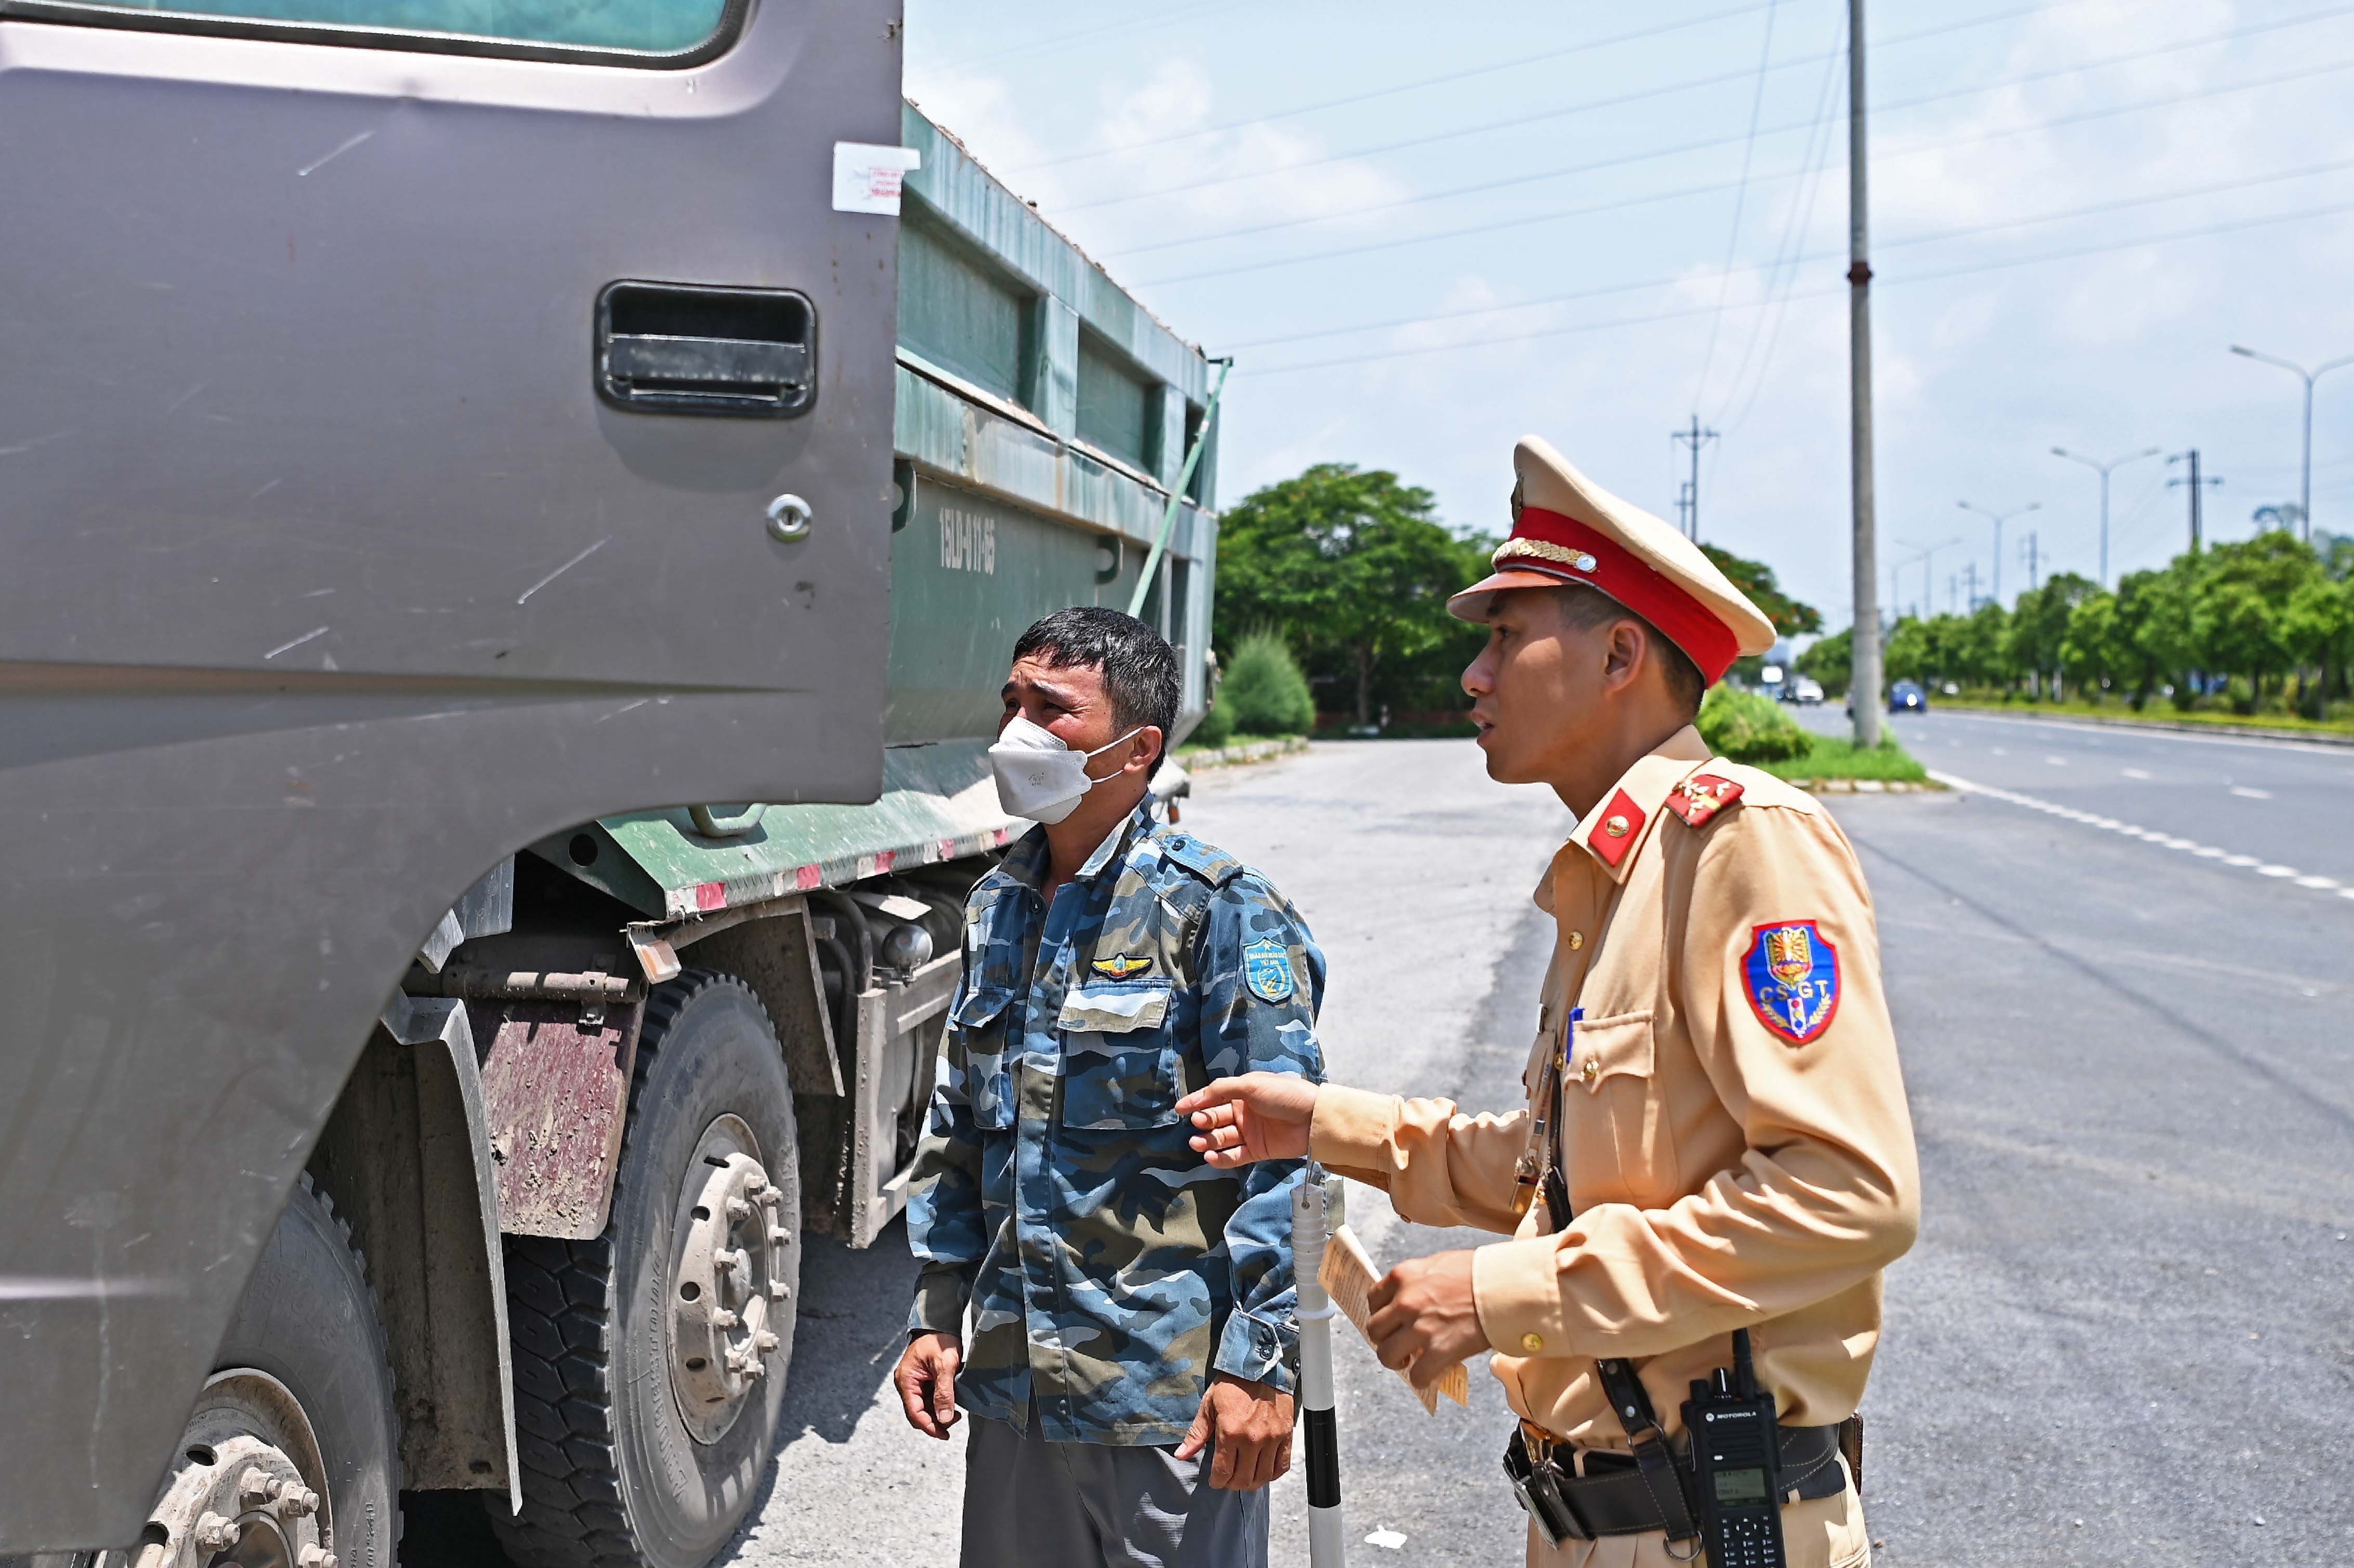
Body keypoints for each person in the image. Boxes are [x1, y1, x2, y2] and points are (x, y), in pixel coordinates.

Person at [1176, 437, 1920, 1568]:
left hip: (1717, 1531)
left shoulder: (1741, 845)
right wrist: (1320, 1124)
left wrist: (1500, 1292)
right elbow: (1555, 1172)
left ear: (1620, 652)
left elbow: (1848, 1194)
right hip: (1592, 1525)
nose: (1473, 674)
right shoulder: (1610, 877)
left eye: (1505, 635)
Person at [895, 606, 1327, 1568]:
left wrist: (1262, 1366)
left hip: (1164, 1409)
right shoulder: (997, 904)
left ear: (1137, 750)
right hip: (1015, 1398)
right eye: (1013, 702)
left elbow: (1293, 1156)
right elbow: (960, 1131)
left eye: (1055, 710)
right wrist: (934, 1311)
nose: (1020, 733)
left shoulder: (1219, 911)